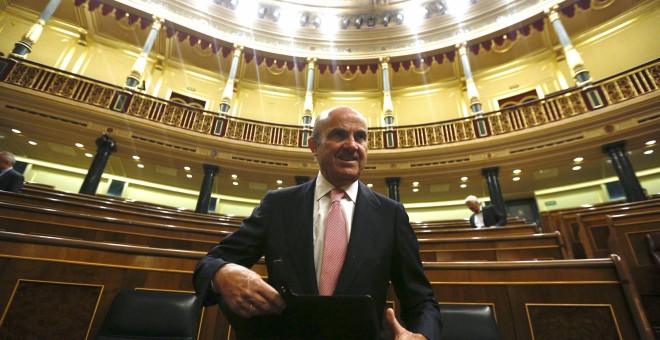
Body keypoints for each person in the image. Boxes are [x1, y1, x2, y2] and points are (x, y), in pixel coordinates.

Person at [194, 106, 442, 339]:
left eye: (361, 137)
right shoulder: (278, 205)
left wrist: (421, 334)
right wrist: (221, 273)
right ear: (314, 146)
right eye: (339, 134)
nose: (352, 145)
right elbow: (208, 264)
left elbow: (420, 300)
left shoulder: (391, 214)